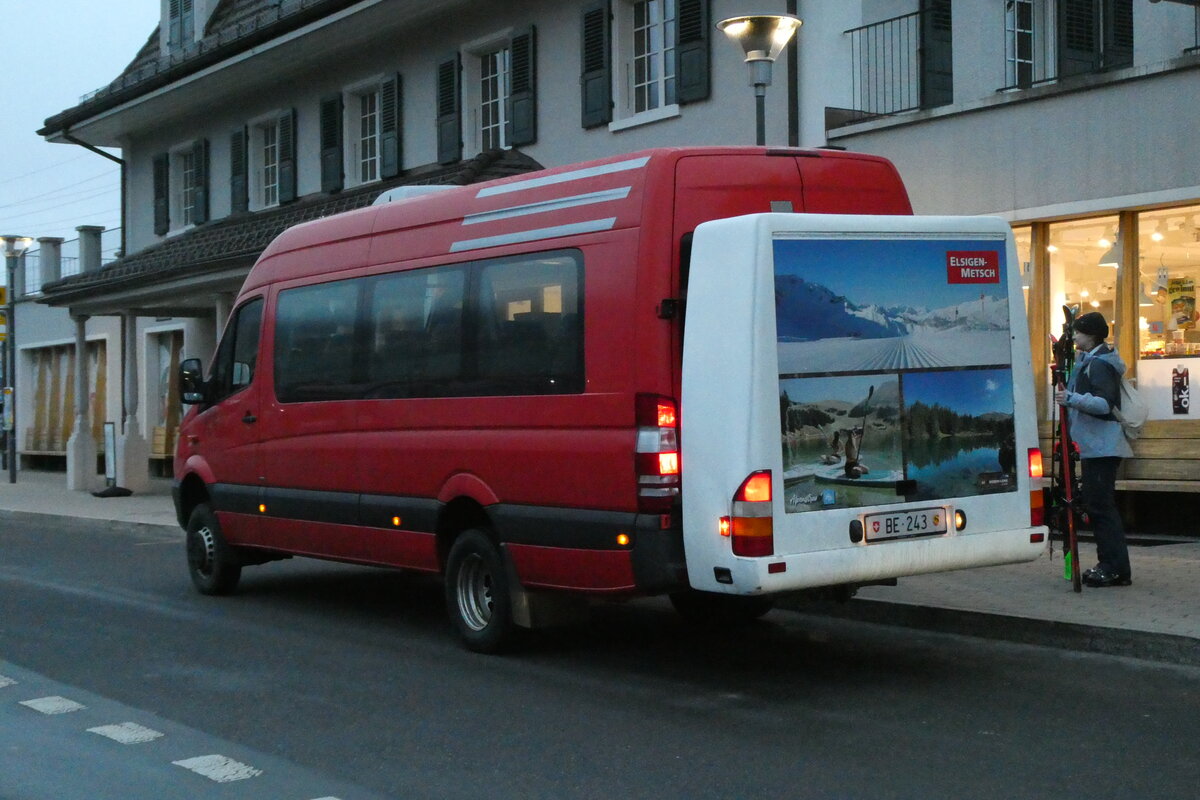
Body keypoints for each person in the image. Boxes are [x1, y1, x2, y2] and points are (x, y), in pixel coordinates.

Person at [1053, 311, 1134, 588]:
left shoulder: (1099, 364)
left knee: (1101, 507)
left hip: (1102, 447)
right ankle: (1109, 565)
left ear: (1092, 335)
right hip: (1094, 446)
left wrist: (1071, 398)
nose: (1074, 336)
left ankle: (1114, 568)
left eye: (1078, 332)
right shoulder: (1089, 361)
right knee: (1098, 505)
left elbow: (1104, 404)